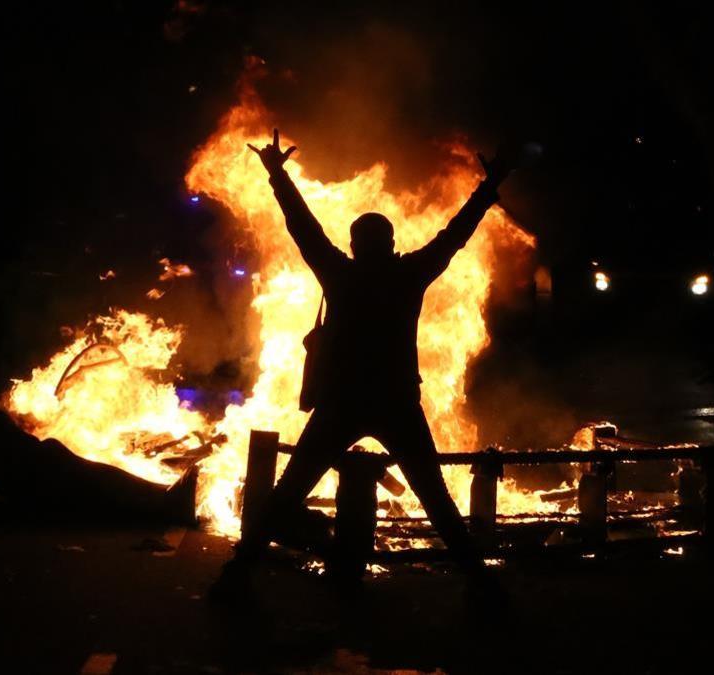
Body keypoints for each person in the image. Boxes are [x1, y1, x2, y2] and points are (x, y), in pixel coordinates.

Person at [212, 128, 515, 601]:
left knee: (289, 492)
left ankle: (236, 575)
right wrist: (491, 183)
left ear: (354, 246)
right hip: (395, 401)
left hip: (343, 401)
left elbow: (303, 228)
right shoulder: (409, 273)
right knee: (436, 500)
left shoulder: (340, 273)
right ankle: (482, 584)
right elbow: (456, 234)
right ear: (391, 242)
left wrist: (277, 176)